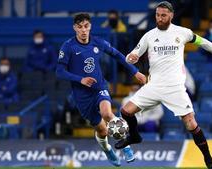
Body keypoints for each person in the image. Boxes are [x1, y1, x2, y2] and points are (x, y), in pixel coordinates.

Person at [114, 2, 212, 169]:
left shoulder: (183, 32)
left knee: (191, 124)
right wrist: (131, 57)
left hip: (175, 88)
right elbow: (134, 53)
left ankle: (209, 160)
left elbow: (204, 43)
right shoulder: (149, 36)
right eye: (157, 15)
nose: (159, 18)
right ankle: (135, 136)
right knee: (125, 111)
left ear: (171, 16)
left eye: (163, 15)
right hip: (154, 86)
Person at [56, 13, 147, 166]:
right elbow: (59, 72)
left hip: (99, 88)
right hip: (82, 96)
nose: (83, 30)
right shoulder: (68, 46)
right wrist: (80, 79)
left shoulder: (98, 42)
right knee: (102, 131)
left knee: (107, 113)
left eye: (86, 26)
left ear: (90, 26)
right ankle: (107, 149)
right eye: (80, 27)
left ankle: (126, 146)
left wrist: (135, 72)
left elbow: (117, 55)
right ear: (75, 28)